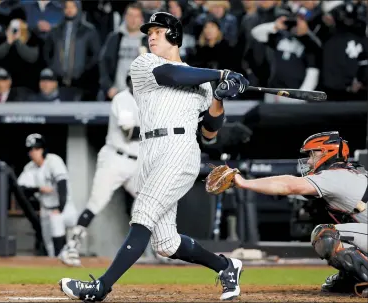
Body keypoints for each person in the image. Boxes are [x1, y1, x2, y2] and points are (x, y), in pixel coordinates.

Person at [59, 12, 249, 302]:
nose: (151, 35)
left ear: (174, 35)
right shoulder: (145, 63)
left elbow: (210, 132)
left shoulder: (202, 82)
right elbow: (172, 75)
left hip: (180, 149)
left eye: (158, 31)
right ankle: (226, 266)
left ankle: (101, 288)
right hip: (148, 153)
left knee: (143, 213)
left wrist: (219, 97)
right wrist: (219, 75)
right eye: (150, 31)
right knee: (167, 243)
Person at [213, 131, 368, 298]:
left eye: (312, 153)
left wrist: (243, 182)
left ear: (326, 152)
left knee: (327, 235)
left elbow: (289, 185)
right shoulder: (349, 173)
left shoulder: (334, 176)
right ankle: (350, 278)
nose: (309, 160)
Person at [58, 73, 142, 266]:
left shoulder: (150, 101)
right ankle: (71, 247)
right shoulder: (123, 99)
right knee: (96, 202)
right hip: (115, 159)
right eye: (135, 80)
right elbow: (129, 132)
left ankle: (162, 248)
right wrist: (157, 129)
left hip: (137, 163)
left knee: (153, 201)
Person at [17, 133, 80, 266]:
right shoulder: (29, 168)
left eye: (36, 148)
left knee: (57, 222)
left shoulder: (54, 160)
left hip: (65, 207)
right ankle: (58, 267)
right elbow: (20, 189)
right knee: (49, 246)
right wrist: (38, 189)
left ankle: (67, 258)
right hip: (46, 209)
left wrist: (60, 208)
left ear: (43, 149)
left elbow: (62, 184)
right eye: (31, 149)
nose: (33, 152)